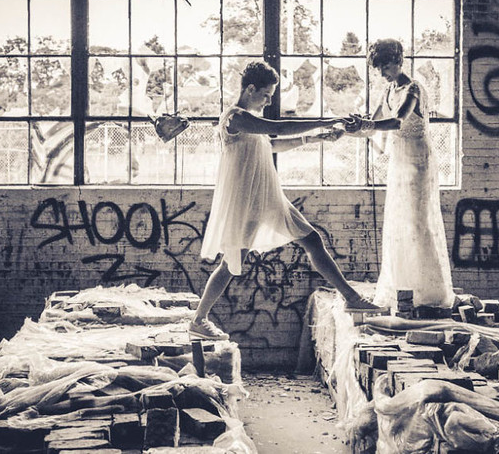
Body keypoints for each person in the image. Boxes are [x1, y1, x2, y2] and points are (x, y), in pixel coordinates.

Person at [190, 61, 385, 341]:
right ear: (250, 89)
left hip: (267, 197)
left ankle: (351, 297)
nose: (269, 101)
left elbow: (273, 144)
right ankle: (198, 320)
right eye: (266, 95)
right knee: (231, 262)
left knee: (312, 240)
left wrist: (316, 139)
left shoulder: (249, 122)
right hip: (247, 200)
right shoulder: (234, 117)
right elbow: (280, 128)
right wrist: (327, 120)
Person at [345, 39, 455, 311]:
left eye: (385, 67)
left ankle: (429, 292)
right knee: (399, 222)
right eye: (378, 68)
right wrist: (348, 128)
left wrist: (367, 123)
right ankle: (402, 287)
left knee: (418, 223)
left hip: (418, 161)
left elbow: (396, 121)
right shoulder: (388, 90)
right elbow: (372, 126)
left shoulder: (413, 88)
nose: (382, 73)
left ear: (399, 61)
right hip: (399, 162)